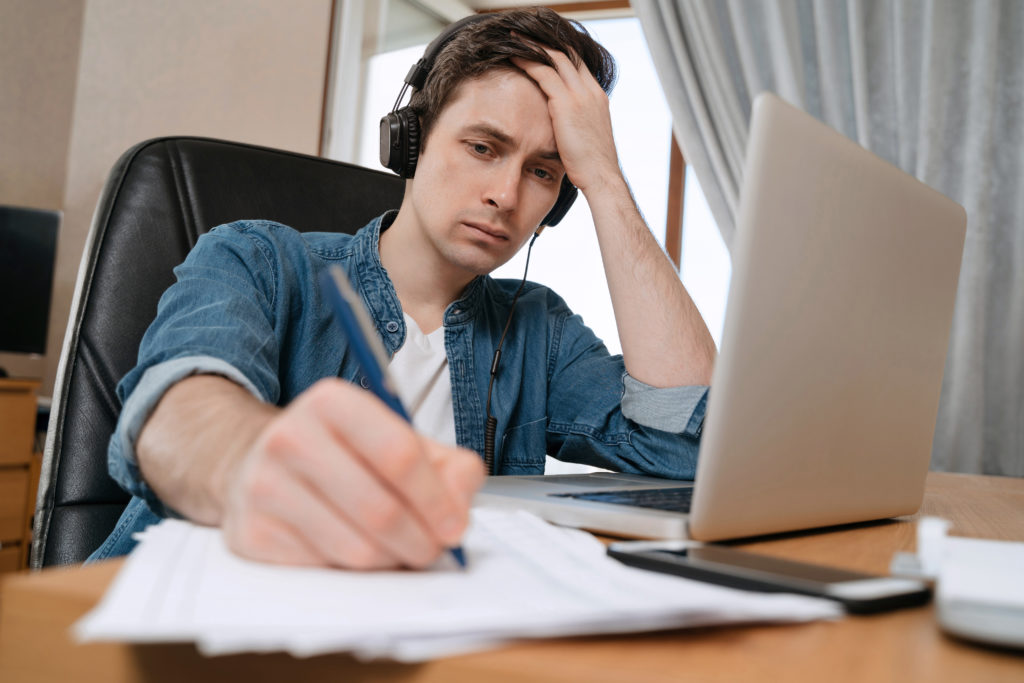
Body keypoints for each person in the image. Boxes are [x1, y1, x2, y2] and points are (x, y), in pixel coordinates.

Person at [91, 7, 717, 570]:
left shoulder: (538, 330)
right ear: (409, 140)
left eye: (543, 171)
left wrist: (605, 179)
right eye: (482, 146)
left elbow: (689, 449)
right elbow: (177, 413)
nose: (505, 194)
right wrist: (248, 460)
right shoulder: (258, 259)